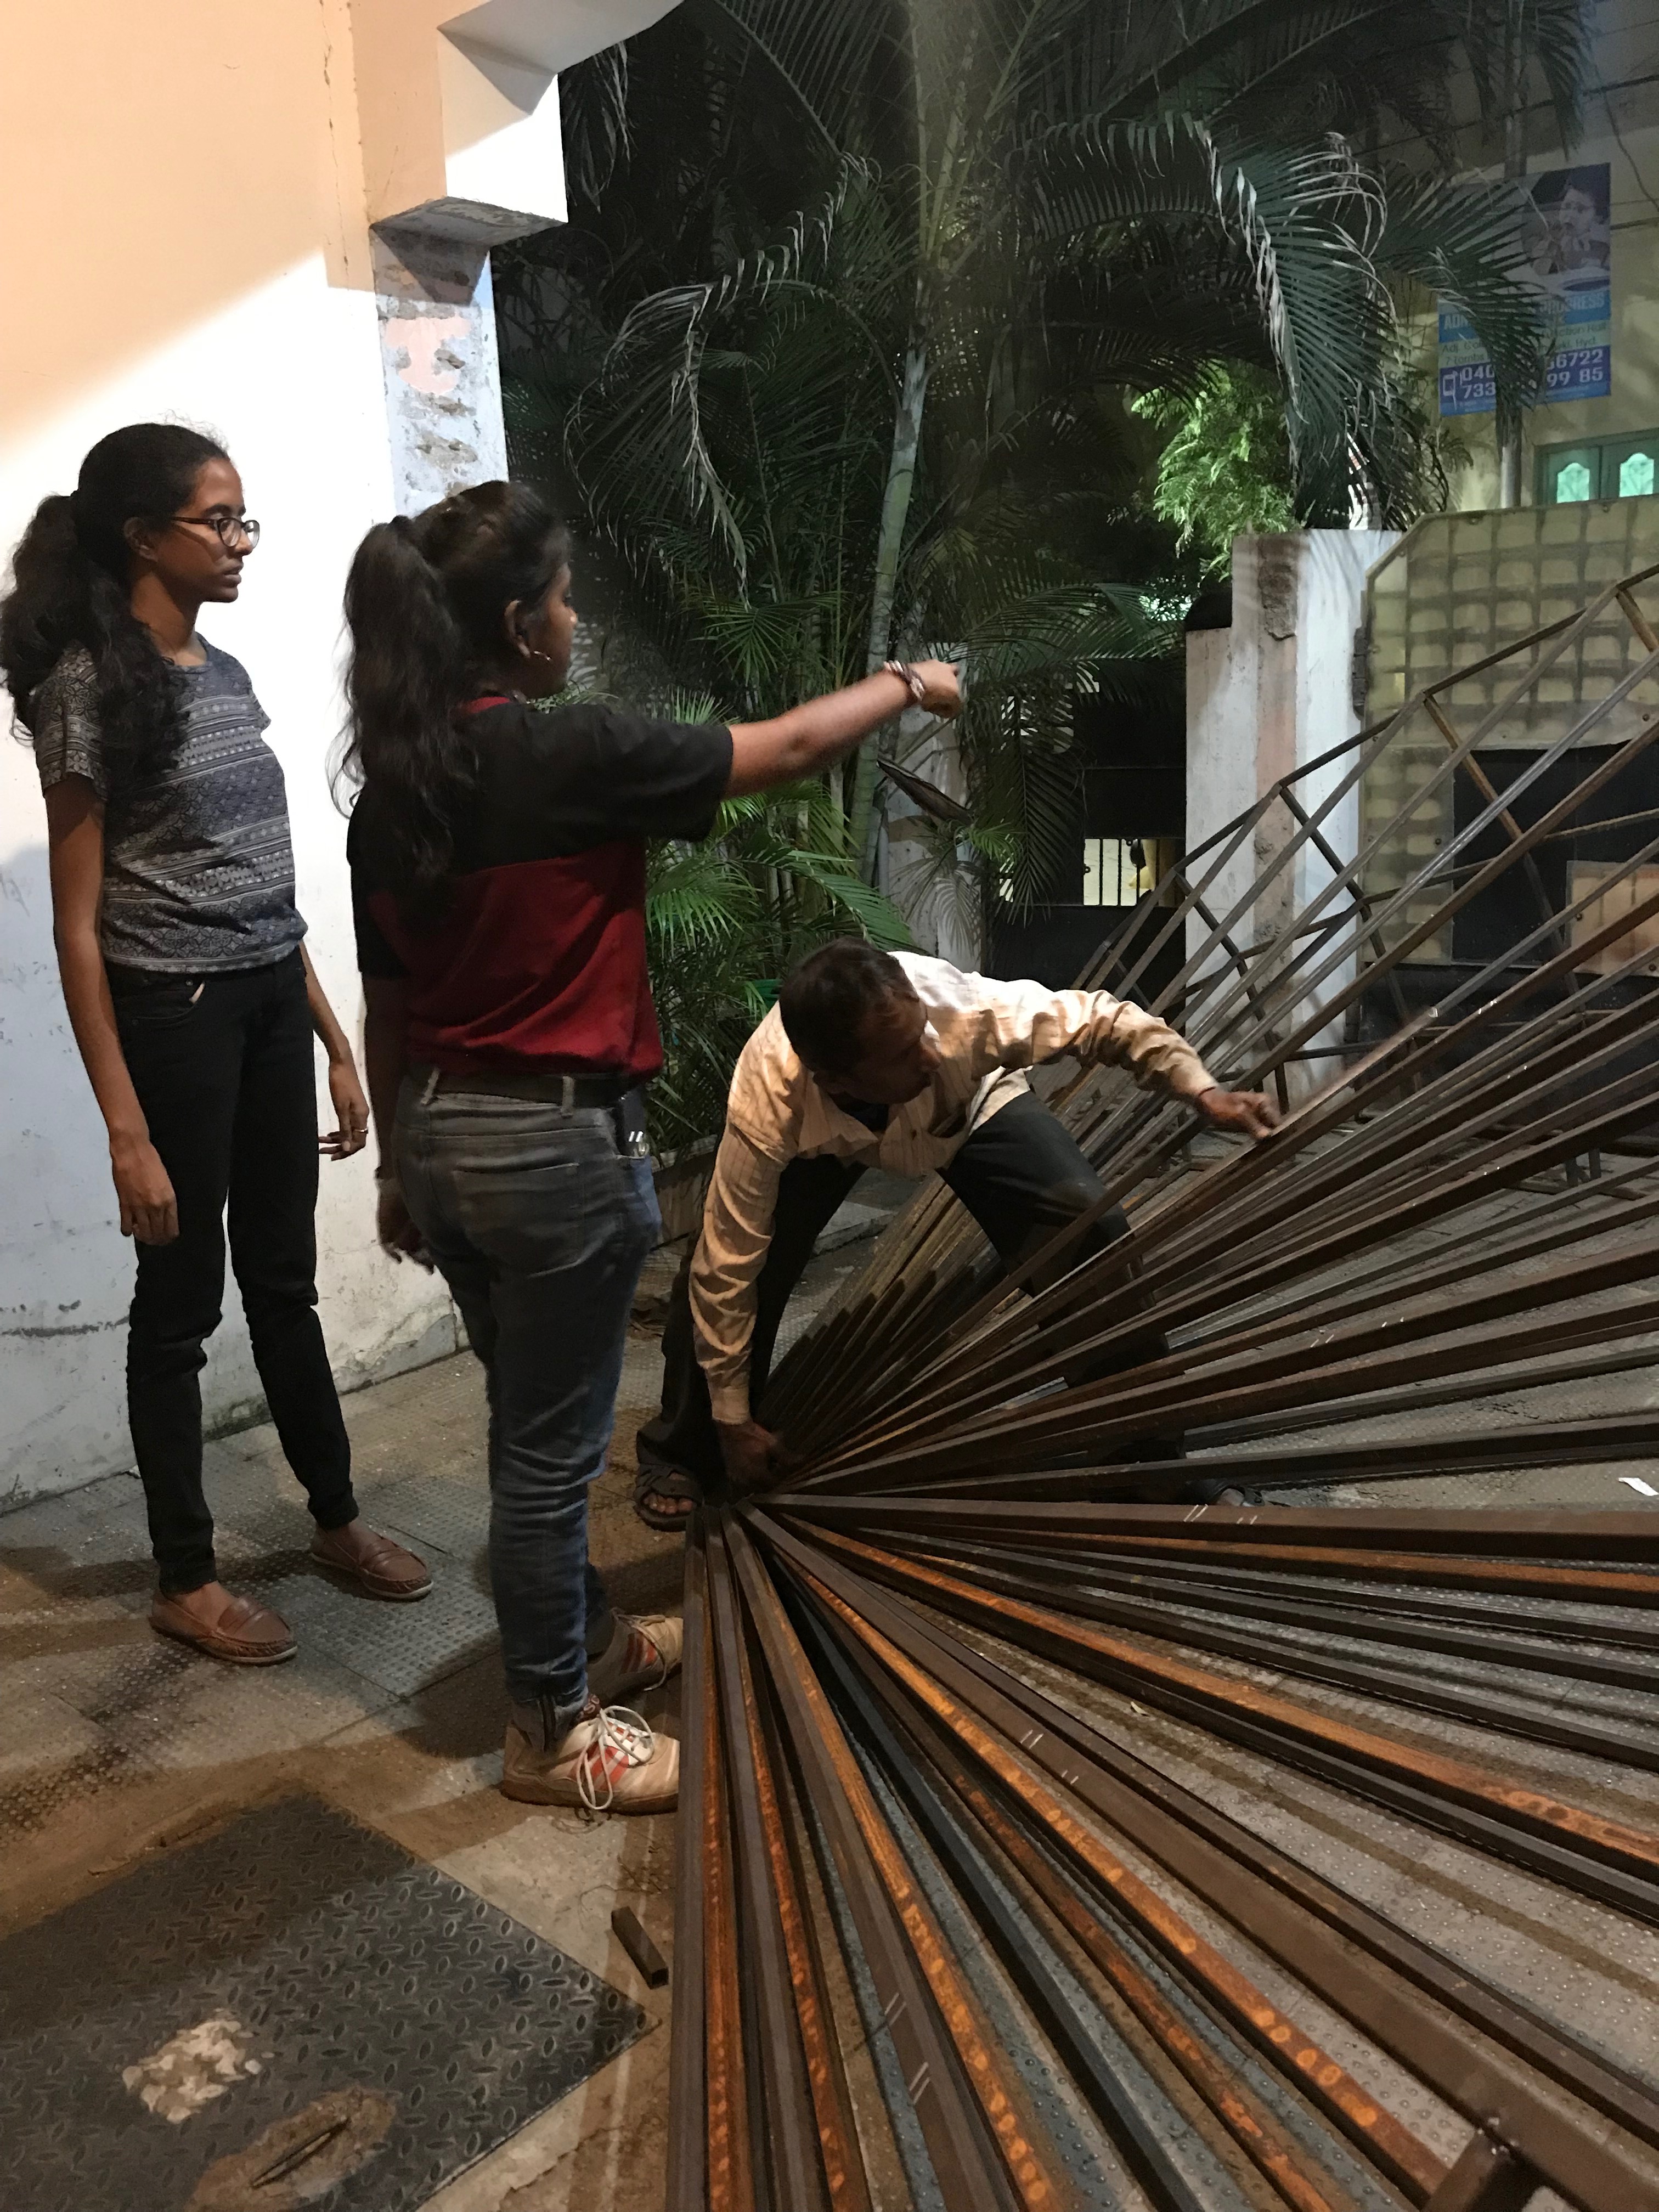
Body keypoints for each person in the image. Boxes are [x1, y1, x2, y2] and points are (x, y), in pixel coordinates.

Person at [340, 478, 961, 1814]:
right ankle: (552, 1731)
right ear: (521, 625)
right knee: (546, 1461)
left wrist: (396, 1166)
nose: (575, 621)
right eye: (564, 600)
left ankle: (594, 1646)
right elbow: (787, 750)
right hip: (552, 1152)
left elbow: (392, 1004)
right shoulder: (571, 755)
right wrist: (909, 683)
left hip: (446, 1137)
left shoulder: (391, 796)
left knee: (526, 1419)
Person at [1, 423, 430, 1666]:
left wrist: (334, 1038)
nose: (242, 542)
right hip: (174, 1020)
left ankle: (335, 1518)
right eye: (220, 519)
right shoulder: (88, 686)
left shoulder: (229, 675)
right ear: (145, 536)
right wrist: (124, 1132)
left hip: (266, 1005)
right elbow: (77, 930)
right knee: (181, 1304)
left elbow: (259, 885)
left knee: (284, 1282)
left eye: (246, 520)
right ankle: (184, 1578)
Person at [634, 938, 1278, 1517]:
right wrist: (732, 1416)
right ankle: (695, 1450)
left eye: (922, 1030)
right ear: (835, 1078)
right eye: (904, 1051)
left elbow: (1103, 1020)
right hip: (822, 1144)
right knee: (714, 1275)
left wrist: (1201, 1090)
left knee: (1086, 1226)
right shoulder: (770, 1103)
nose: (931, 1051)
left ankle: (1143, 1461)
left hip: (970, 1107)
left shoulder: (961, 1016)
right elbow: (729, 1264)